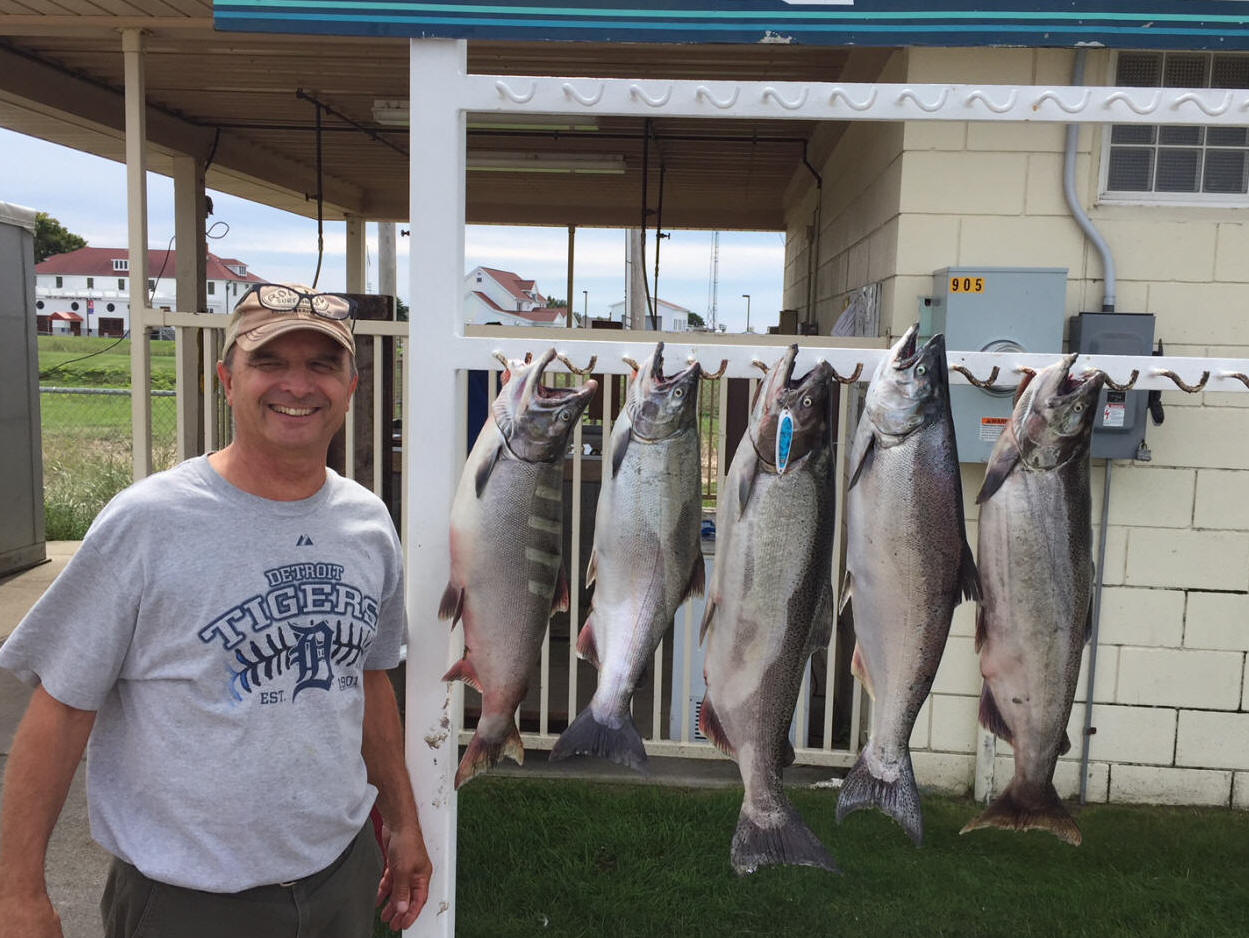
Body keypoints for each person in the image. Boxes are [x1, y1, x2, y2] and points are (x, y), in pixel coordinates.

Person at [0, 283, 432, 937]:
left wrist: (402, 823)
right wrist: (18, 894)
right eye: (270, 362)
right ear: (227, 381)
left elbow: (368, 681)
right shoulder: (148, 522)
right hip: (188, 903)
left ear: (351, 387)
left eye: (321, 365)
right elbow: (60, 710)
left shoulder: (367, 523)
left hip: (339, 881)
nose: (297, 385)